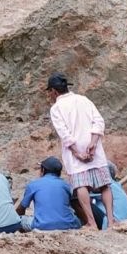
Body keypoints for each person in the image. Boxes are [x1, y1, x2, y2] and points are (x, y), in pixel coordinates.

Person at [47, 72, 114, 229]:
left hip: (75, 150)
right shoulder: (84, 100)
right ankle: (111, 221)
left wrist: (77, 152)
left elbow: (64, 133)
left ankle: (91, 222)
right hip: (93, 147)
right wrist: (93, 143)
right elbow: (99, 121)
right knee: (104, 184)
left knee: (81, 185)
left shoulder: (56, 108)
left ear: (54, 91)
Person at [16, 156, 81, 232]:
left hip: (41, 226)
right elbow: (75, 205)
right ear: (59, 173)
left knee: (21, 220)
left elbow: (21, 208)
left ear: (43, 170)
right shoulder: (66, 185)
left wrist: (16, 219)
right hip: (68, 225)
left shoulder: (33, 185)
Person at [89, 162, 127, 229]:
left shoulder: (104, 184)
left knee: (79, 200)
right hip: (121, 221)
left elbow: (85, 196)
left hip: (110, 222)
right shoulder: (116, 185)